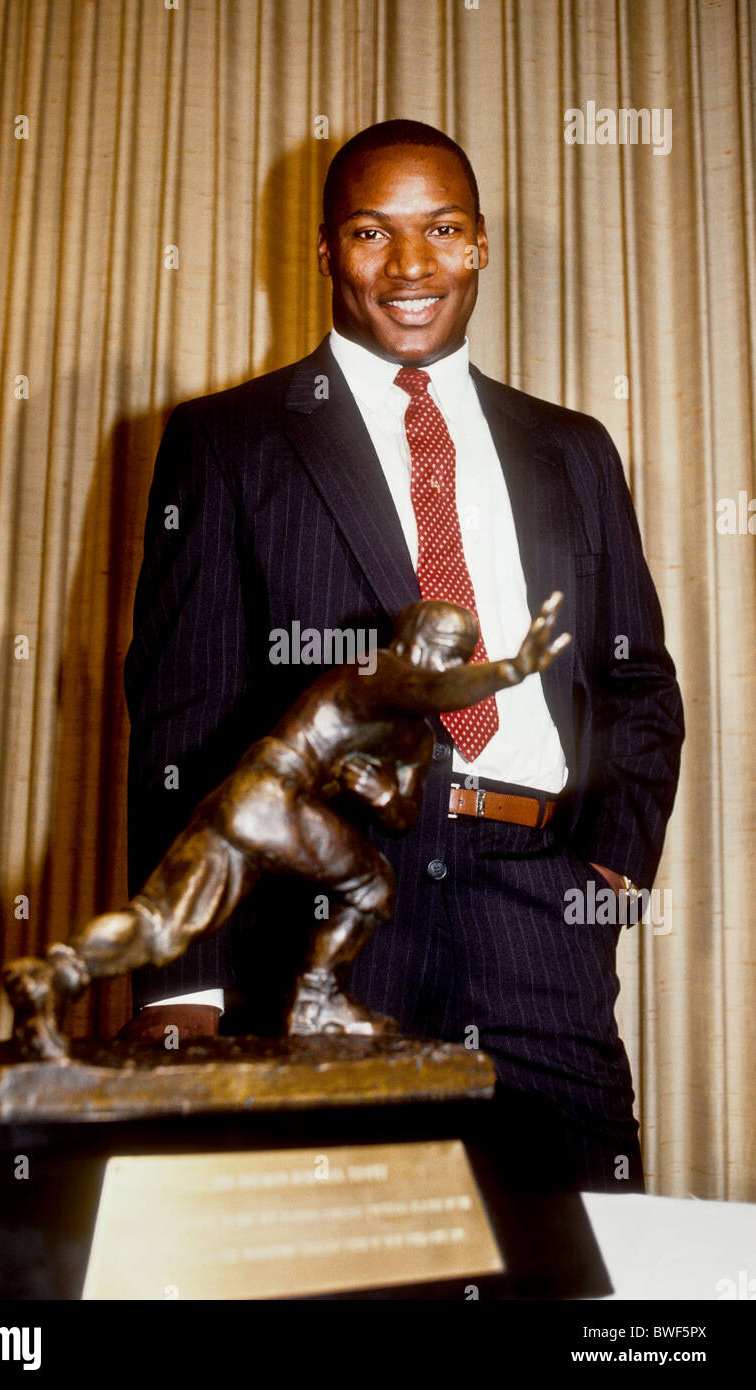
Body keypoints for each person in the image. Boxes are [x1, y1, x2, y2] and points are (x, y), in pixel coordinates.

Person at [122, 120, 684, 1190]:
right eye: (372, 233)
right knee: (331, 1261)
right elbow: (183, 723)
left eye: (442, 230)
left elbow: (633, 683)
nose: (410, 265)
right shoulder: (229, 441)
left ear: (477, 246)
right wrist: (180, 982)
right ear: (326, 250)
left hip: (536, 917)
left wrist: (601, 881)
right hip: (317, 926)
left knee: (578, 1253)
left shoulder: (571, 449)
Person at [3, 595, 568, 1059]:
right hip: (270, 791)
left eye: (463, 657)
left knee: (163, 924)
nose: (452, 668)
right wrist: (512, 671)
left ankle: (54, 975)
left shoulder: (417, 739)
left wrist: (379, 793)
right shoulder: (374, 669)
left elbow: (403, 816)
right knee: (371, 884)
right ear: (412, 641)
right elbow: (429, 687)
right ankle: (317, 1000)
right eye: (446, 654)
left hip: (252, 806)